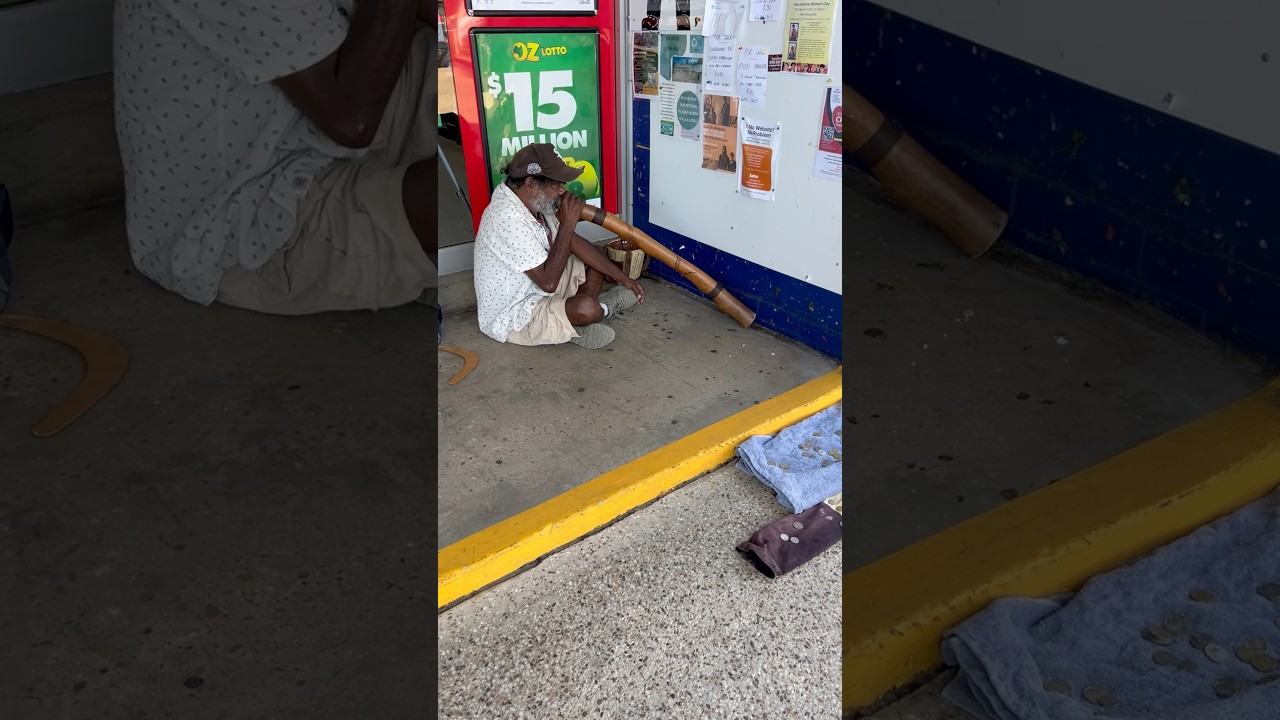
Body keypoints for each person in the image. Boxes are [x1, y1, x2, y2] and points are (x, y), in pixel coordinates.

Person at [113, 0, 437, 315]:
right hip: (248, 221)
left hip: (316, 124)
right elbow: (353, 122)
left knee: (465, 69)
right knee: (458, 195)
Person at [473, 144, 645, 350]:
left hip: (536, 286)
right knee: (587, 308)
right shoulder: (506, 218)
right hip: (516, 315)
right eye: (556, 185)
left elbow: (573, 243)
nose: (562, 191)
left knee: (596, 256)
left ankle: (574, 322)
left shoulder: (532, 201)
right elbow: (548, 284)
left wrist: (622, 278)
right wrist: (568, 223)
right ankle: (601, 310)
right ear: (530, 184)